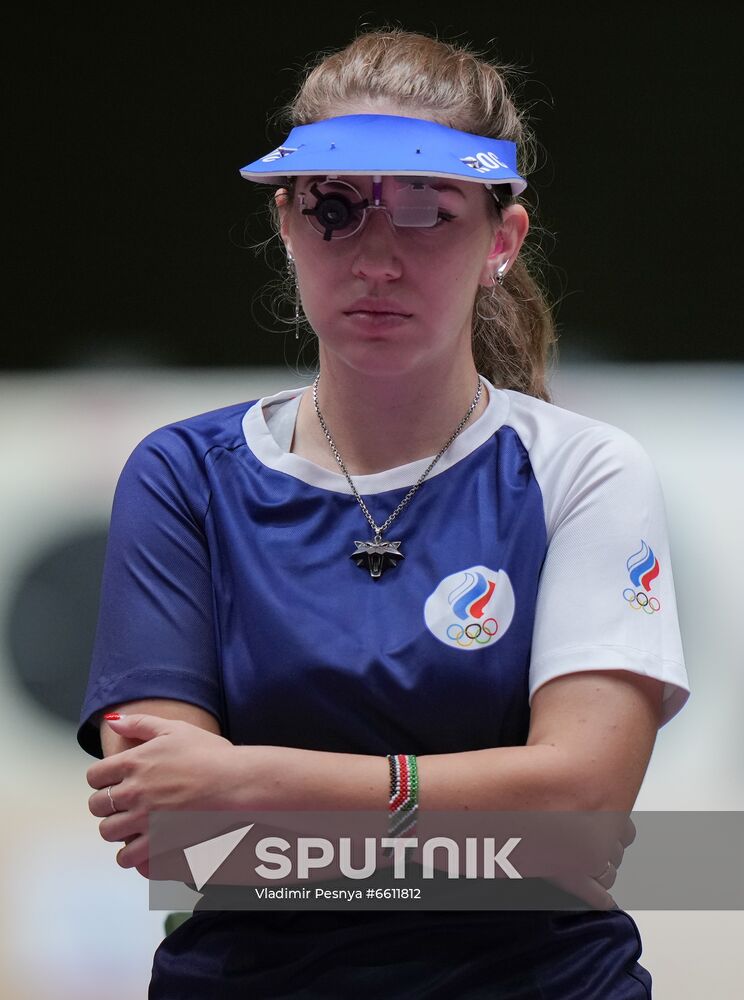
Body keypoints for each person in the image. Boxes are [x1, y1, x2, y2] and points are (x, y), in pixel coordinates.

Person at [78, 28, 690, 998]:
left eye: (427, 213)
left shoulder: (583, 470)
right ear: (286, 221)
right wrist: (483, 819)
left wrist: (255, 783)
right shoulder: (182, 476)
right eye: (335, 209)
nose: (377, 259)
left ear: (502, 239)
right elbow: (180, 841)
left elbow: (579, 825)